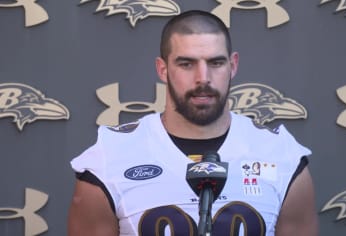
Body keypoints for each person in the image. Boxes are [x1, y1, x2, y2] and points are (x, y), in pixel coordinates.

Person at [67, 10, 318, 236]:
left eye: (215, 63)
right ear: (162, 69)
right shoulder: (110, 158)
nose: (203, 78)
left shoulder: (281, 155)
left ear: (233, 66)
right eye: (186, 64)